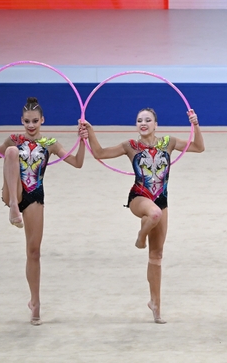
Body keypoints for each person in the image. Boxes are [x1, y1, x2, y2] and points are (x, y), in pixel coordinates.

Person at [82, 108, 204, 324]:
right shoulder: (130, 146)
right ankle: (140, 236)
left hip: (161, 199)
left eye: (148, 120)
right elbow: (100, 153)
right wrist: (89, 132)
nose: (143, 123)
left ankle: (155, 304)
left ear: (156, 124)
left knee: (156, 256)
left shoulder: (169, 142)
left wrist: (195, 125)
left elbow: (199, 147)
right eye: (139, 120)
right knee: (154, 214)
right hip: (139, 197)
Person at [0, 96, 87, 325]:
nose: (31, 125)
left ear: (42, 120)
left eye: (35, 120)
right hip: (12, 192)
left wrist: (82, 139)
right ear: (21, 120)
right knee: (12, 152)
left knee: (34, 252)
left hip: (35, 195)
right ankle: (14, 206)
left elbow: (77, 162)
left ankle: (35, 303)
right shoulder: (14, 139)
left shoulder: (50, 143)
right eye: (27, 121)